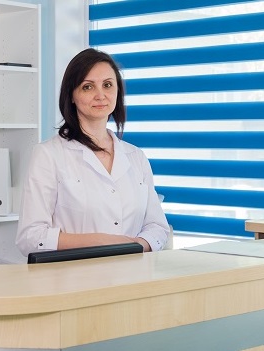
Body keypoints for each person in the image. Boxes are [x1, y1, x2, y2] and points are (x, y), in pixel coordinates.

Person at [15, 48, 170, 256]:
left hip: (132, 277)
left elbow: (157, 227)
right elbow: (31, 238)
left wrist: (130, 246)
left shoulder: (136, 157)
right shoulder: (48, 155)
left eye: (107, 85)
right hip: (74, 282)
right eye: (88, 87)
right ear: (71, 95)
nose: (100, 95)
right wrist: (105, 242)